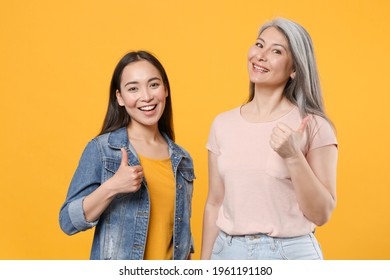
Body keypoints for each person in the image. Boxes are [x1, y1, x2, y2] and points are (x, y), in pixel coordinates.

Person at [201, 18, 338, 260]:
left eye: (276, 51)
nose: (260, 56)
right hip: (227, 253)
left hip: (290, 255)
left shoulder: (314, 125)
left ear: (294, 68)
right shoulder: (222, 124)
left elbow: (321, 214)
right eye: (259, 45)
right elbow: (215, 202)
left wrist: (293, 156)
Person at [59, 51, 195, 260]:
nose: (147, 96)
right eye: (133, 88)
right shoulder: (103, 150)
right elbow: (68, 222)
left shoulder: (182, 160)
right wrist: (113, 186)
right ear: (120, 98)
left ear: (165, 89)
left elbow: (181, 240)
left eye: (154, 85)